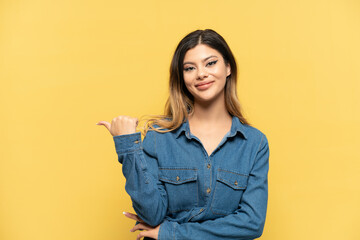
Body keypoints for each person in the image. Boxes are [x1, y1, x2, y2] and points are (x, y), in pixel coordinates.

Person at [97, 29, 270, 240]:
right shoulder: (159, 136)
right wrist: (128, 147)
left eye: (210, 63)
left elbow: (251, 224)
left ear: (228, 67)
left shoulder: (254, 143)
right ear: (182, 77)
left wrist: (171, 232)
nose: (201, 74)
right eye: (190, 68)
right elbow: (152, 215)